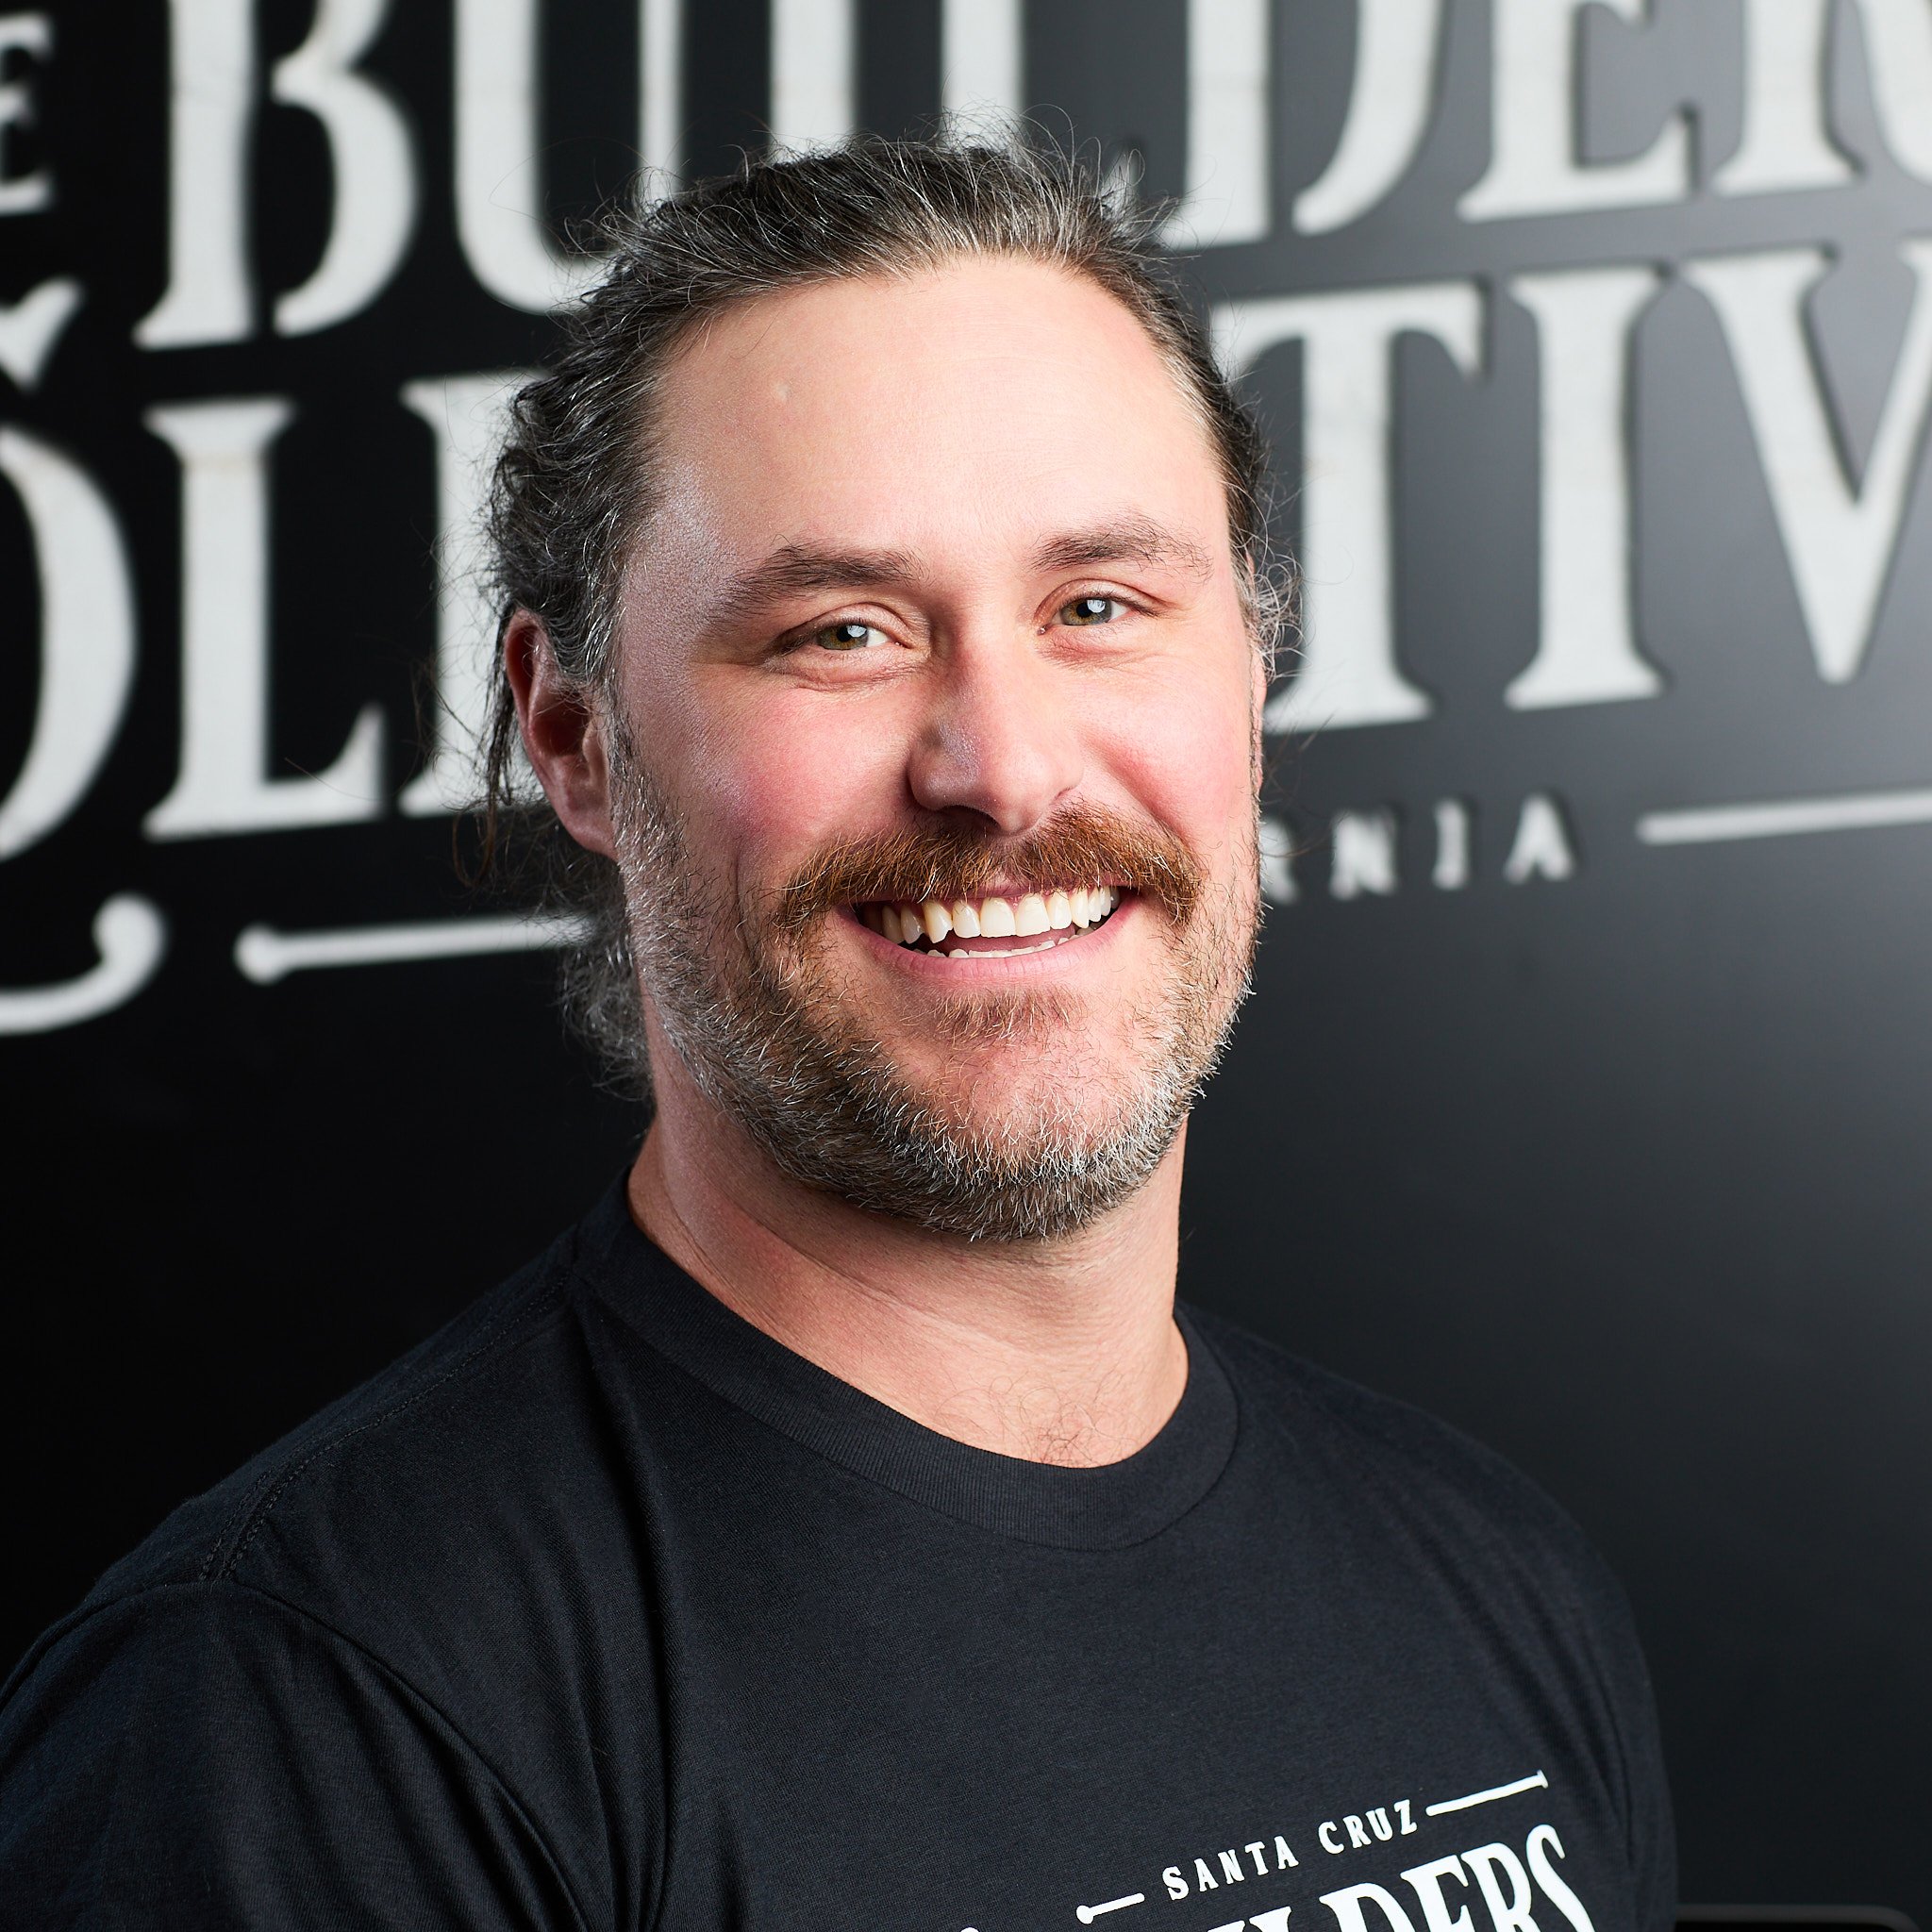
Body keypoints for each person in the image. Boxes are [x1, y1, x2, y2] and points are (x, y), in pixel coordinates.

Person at [0, 136, 1674, 1929]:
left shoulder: (1490, 1578)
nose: (1004, 769)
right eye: (842, 632)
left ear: (1251, 670)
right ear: (571, 731)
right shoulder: (301, 1715)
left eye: (1098, 608)